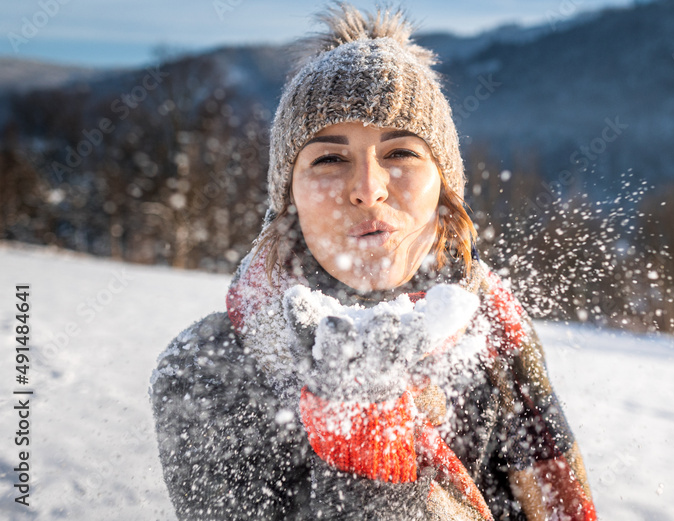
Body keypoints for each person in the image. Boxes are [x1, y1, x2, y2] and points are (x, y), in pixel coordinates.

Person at [149, 3, 596, 520]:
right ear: (288, 198)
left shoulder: (497, 335)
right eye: (330, 159)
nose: (367, 189)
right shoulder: (210, 367)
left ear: (445, 191)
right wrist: (365, 447)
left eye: (401, 153)